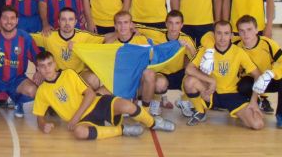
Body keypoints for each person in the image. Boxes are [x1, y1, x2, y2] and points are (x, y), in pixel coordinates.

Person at [32, 51, 175, 140]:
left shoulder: (68, 74)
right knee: (79, 133)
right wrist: (43, 125)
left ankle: (154, 123)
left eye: (49, 64)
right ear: (37, 69)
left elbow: (90, 94)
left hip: (96, 104)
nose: (47, 68)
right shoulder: (42, 91)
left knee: (128, 106)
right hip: (83, 121)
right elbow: (39, 116)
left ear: (55, 64)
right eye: (42, 66)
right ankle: (122, 130)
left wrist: (75, 117)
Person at [182, 20, 263, 129]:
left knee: (257, 124)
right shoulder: (205, 50)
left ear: (231, 35)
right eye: (219, 33)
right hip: (210, 92)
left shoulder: (238, 52)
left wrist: (254, 101)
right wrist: (211, 80)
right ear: (214, 34)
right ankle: (200, 111)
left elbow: (257, 75)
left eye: (226, 33)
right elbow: (189, 69)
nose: (222, 37)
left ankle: (242, 111)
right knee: (189, 81)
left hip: (232, 95)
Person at [0, 6, 40, 118]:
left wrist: (39, 71)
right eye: (5, 18)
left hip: (17, 79)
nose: (9, 21)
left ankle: (17, 102)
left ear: (17, 21)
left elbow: (38, 57)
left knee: (34, 91)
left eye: (12, 18)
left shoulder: (25, 38)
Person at [137, 10, 197, 117]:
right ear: (166, 24)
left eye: (177, 23)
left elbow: (197, 59)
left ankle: (184, 101)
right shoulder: (157, 34)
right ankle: (156, 102)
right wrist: (136, 32)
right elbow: (136, 26)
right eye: (170, 23)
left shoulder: (186, 39)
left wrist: (189, 48)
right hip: (162, 73)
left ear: (182, 25)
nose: (173, 27)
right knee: (159, 84)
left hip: (178, 73)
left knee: (193, 72)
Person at [104, 11, 162, 116]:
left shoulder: (142, 41)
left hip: (137, 84)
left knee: (149, 74)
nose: (123, 26)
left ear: (131, 24)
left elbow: (153, 61)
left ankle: (145, 110)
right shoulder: (110, 43)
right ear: (115, 26)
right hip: (118, 84)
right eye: (119, 23)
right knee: (100, 97)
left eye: (126, 22)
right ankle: (125, 101)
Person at [31, 7, 104, 90]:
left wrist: (119, 32)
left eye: (70, 19)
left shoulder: (84, 36)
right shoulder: (49, 36)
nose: (67, 23)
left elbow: (105, 39)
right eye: (63, 19)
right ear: (58, 22)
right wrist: (39, 70)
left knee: (93, 79)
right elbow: (26, 38)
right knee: (39, 80)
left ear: (75, 22)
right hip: (57, 76)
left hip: (79, 75)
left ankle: (87, 97)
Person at [234, 15, 282, 128]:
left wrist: (271, 73)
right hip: (249, 82)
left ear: (257, 30)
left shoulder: (268, 44)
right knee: (242, 86)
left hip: (267, 80)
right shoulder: (235, 45)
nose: (246, 34)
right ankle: (255, 103)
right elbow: (212, 37)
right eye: (241, 31)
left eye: (249, 29)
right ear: (238, 32)